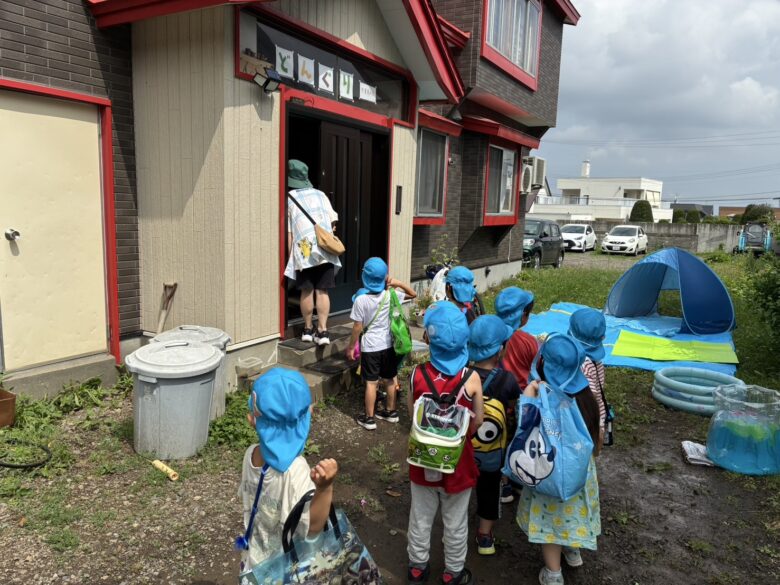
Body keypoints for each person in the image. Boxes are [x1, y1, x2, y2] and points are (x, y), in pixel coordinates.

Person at [407, 301, 484, 585]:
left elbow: (411, 417)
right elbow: (478, 421)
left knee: (420, 517)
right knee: (455, 521)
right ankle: (453, 572)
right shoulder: (472, 378)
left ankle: (417, 567)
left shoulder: (417, 375)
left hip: (423, 459)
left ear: (428, 337)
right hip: (458, 463)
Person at [516, 335, 601, 585]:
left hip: (547, 474)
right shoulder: (586, 396)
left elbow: (525, 431)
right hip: (579, 476)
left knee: (550, 526)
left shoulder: (542, 395)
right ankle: (573, 552)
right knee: (573, 518)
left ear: (543, 363)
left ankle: (553, 574)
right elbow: (596, 440)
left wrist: (529, 396)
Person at [238, 367, 338, 574]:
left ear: (252, 421)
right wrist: (325, 488)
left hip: (254, 562)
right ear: (306, 419)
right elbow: (313, 528)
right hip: (284, 570)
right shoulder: (296, 469)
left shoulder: (250, 455)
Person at [467, 315, 521, 556]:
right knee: (490, 489)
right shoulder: (507, 380)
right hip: (492, 452)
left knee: (459, 487)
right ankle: (485, 536)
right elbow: (513, 406)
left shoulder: (463, 375)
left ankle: (454, 526)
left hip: (464, 448)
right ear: (500, 348)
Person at [347, 257, 416, 430]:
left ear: (365, 277)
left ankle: (369, 418)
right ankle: (390, 412)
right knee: (390, 379)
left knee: (371, 382)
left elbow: (357, 327)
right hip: (388, 346)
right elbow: (413, 294)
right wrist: (398, 283)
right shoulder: (390, 295)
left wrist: (350, 347)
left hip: (371, 347)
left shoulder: (360, 300)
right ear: (385, 277)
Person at [284, 159, 341, 346]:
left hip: (304, 250)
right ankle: (323, 331)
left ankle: (307, 329)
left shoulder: (290, 199)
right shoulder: (321, 195)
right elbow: (333, 224)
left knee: (307, 291)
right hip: (324, 249)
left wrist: (290, 258)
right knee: (322, 290)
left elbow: (290, 234)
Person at [494, 286, 537, 504]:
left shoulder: (490, 334)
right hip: (520, 400)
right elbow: (535, 370)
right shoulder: (528, 342)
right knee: (518, 441)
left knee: (499, 443)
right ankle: (517, 480)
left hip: (492, 399)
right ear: (523, 316)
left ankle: (503, 485)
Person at [569, 308, 608, 448]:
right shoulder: (596, 363)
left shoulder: (581, 365)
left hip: (584, 425)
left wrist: (596, 430)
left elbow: (589, 399)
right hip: (595, 420)